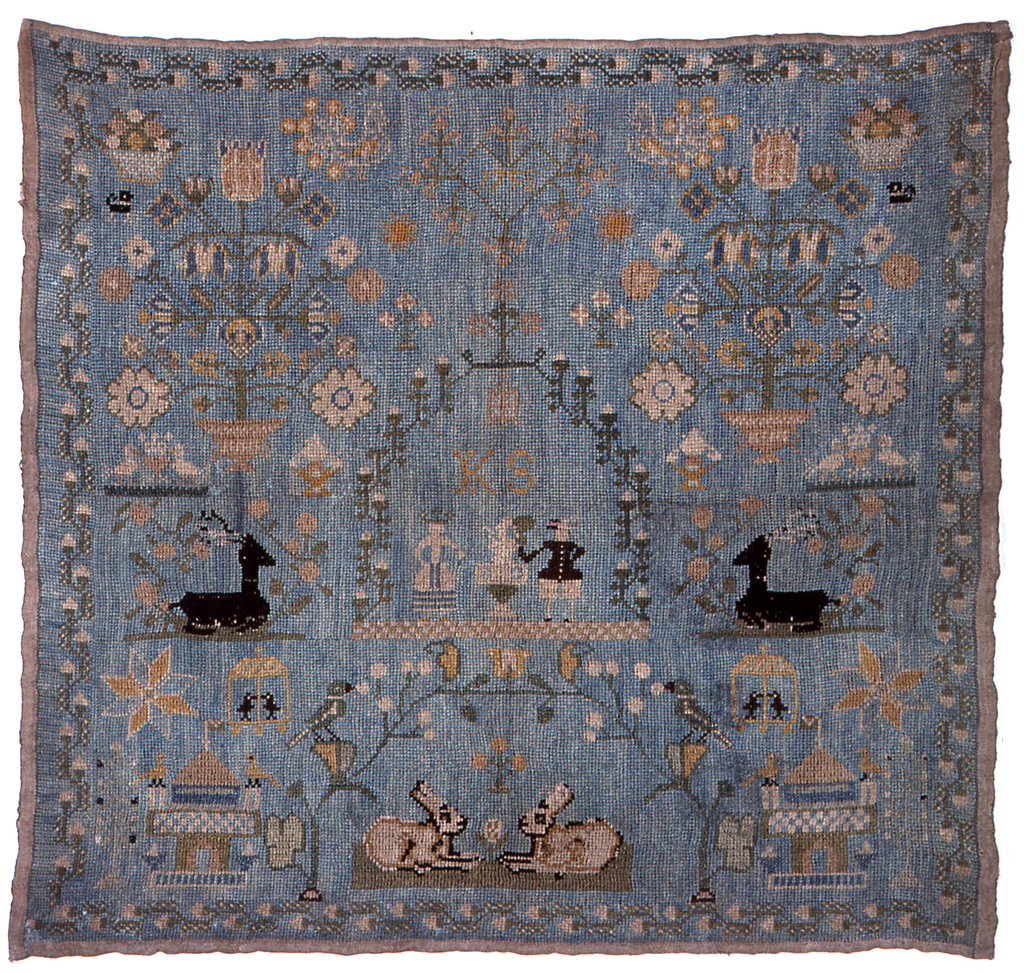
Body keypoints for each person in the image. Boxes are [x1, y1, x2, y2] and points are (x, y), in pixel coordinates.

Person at [517, 518, 584, 622]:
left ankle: (569, 616)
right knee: (550, 594)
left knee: (570, 594)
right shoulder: (551, 544)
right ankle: (548, 615)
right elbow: (536, 552)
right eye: (559, 531)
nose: (561, 534)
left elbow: (580, 550)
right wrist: (524, 553)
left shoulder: (570, 545)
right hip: (553, 571)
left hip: (568, 571)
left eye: (564, 531)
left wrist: (573, 558)